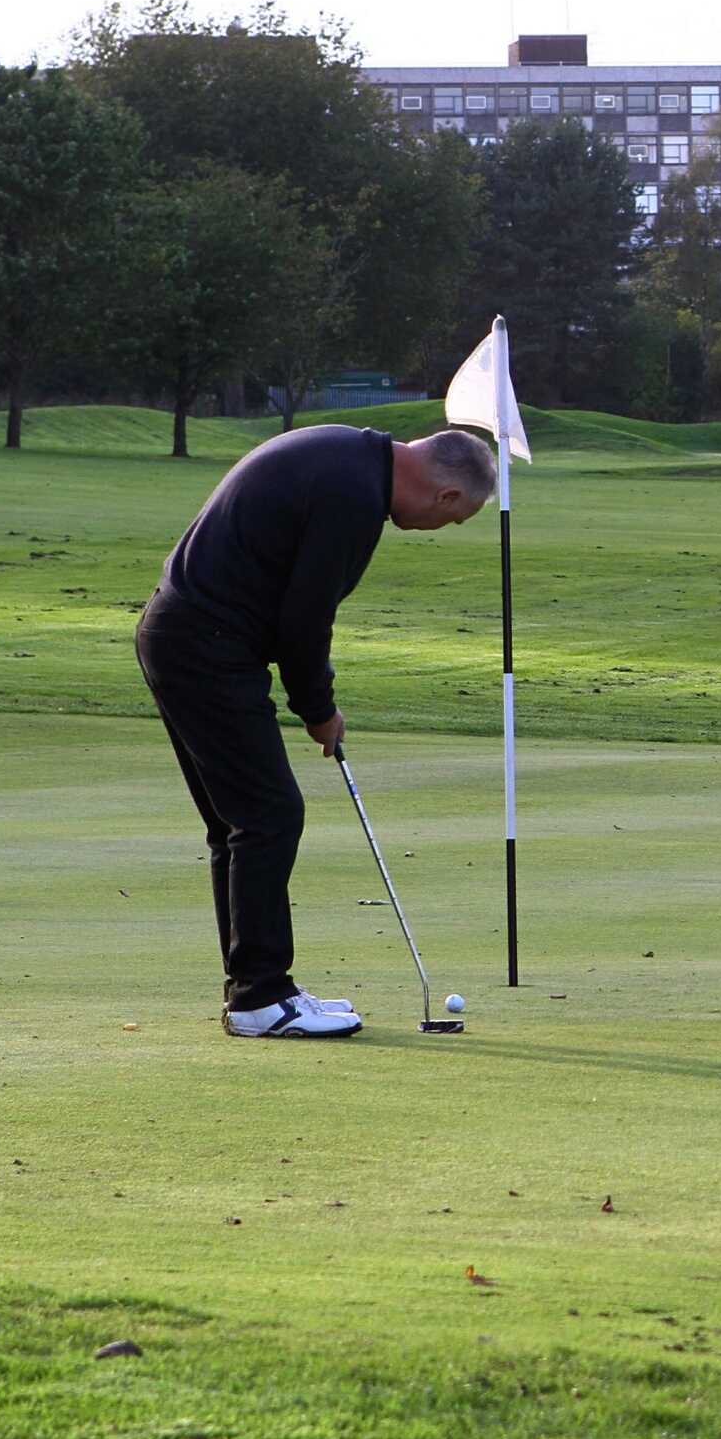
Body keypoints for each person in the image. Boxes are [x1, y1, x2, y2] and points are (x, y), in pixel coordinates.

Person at [135, 424, 495, 1037]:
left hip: (185, 633)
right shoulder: (353, 495)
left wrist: (310, 698)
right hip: (205, 643)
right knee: (269, 815)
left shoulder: (347, 456)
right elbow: (305, 617)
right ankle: (259, 998)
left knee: (239, 823)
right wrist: (318, 708)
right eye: (455, 521)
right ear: (445, 498)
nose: (445, 530)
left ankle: (258, 989)